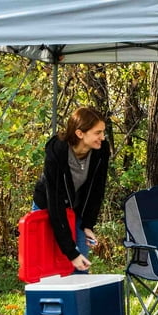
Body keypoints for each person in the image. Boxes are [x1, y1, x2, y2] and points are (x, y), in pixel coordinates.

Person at [32, 107, 110, 273]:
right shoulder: (57, 153)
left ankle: (79, 299)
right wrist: (71, 253)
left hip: (76, 210)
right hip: (48, 207)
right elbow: (55, 204)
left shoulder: (101, 150)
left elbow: (97, 190)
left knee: (80, 269)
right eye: (98, 133)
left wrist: (88, 224)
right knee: (48, 269)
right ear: (80, 133)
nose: (102, 137)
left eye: (103, 132)